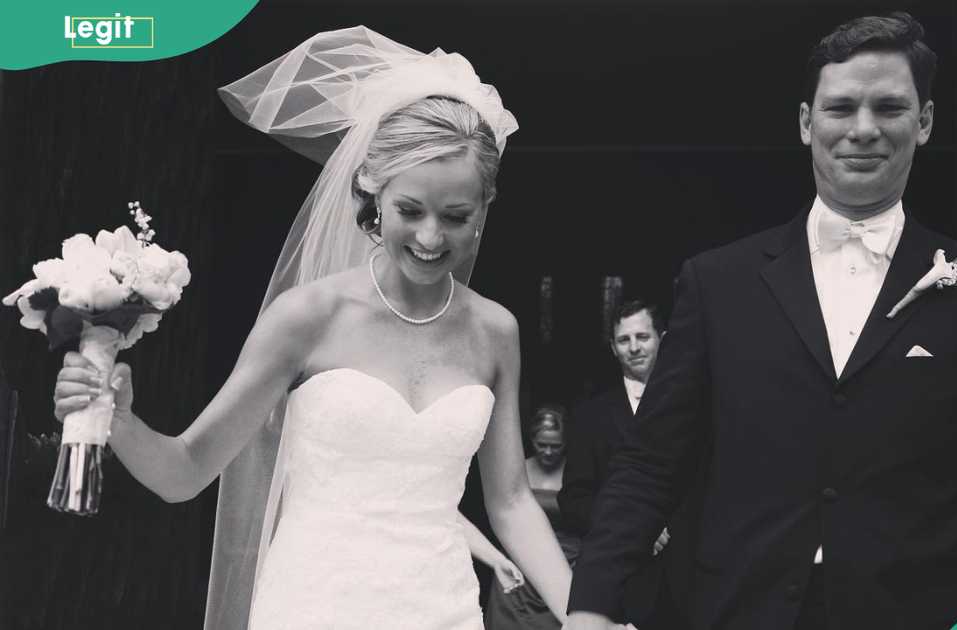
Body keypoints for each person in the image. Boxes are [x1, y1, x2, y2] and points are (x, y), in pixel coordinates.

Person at [565, 12, 957, 630]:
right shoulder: (718, 284)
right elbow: (651, 462)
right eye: (841, 108)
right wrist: (591, 607)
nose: (863, 129)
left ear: (923, 123)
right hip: (737, 611)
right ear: (807, 123)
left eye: (889, 108)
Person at [52, 27, 573, 630]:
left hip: (443, 609)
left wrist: (585, 613)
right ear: (373, 195)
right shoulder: (307, 316)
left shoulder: (495, 331)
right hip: (314, 606)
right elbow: (186, 471)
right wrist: (119, 422)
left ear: (483, 210)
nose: (432, 238)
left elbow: (509, 502)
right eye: (410, 210)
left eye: (456, 217)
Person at [559, 300, 693, 629]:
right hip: (624, 586)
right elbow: (573, 499)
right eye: (623, 340)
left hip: (692, 580)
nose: (634, 347)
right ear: (613, 348)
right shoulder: (591, 416)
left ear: (662, 338)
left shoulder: (698, 406)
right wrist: (635, 528)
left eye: (642, 337)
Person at [486, 405, 581, 629]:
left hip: (567, 566)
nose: (548, 451)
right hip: (518, 567)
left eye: (555, 445)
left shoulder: (579, 473)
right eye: (542, 444)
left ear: (566, 442)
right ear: (531, 440)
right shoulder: (515, 473)